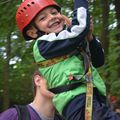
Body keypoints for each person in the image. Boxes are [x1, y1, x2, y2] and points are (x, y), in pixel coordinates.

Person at [16, 0, 120, 119]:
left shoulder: (69, 41)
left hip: (92, 97)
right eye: (43, 18)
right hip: (76, 100)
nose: (52, 17)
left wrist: (90, 38)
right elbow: (79, 28)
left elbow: (98, 61)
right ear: (33, 32)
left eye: (54, 13)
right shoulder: (43, 45)